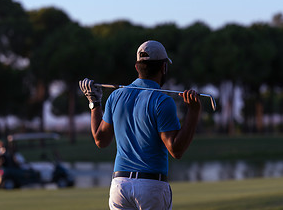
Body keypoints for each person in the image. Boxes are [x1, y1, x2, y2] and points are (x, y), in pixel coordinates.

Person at [79, 40, 201, 210]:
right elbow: (176, 150)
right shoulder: (162, 101)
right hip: (151, 186)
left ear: (137, 67)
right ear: (163, 68)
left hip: (119, 186)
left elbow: (101, 140)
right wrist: (193, 112)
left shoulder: (116, 96)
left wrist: (94, 102)